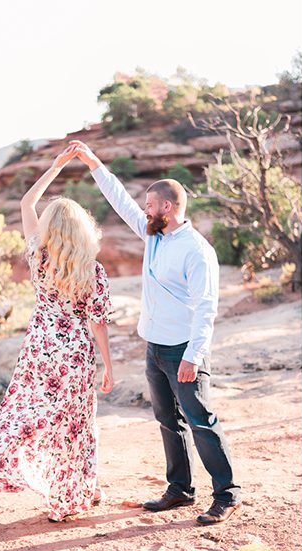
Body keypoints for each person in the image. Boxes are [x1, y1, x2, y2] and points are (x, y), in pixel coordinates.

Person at [68, 140, 243, 525]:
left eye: (150, 205)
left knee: (201, 420)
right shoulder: (153, 235)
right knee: (169, 421)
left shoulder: (197, 251)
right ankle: (180, 489)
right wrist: (94, 162)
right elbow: (121, 201)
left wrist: (194, 356)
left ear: (168, 207)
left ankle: (227, 494)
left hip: (184, 349)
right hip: (155, 347)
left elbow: (206, 306)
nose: (144, 211)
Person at [0, 148, 113, 522]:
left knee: (38, 415)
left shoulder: (37, 255)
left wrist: (55, 167)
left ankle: (83, 485)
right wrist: (108, 365)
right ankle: (78, 490)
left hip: (40, 351)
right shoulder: (92, 269)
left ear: (51, 227)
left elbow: (27, 202)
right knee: (77, 424)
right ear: (81, 229)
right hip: (75, 355)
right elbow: (98, 322)